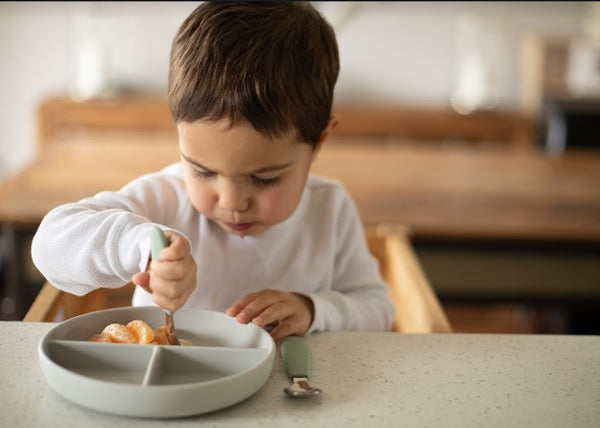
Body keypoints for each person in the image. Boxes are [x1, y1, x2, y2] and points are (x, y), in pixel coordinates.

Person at [31, 2, 395, 341]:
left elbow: (378, 310)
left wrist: (313, 308)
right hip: (174, 392)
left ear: (318, 141)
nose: (232, 202)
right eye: (202, 171)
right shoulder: (163, 199)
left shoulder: (329, 208)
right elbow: (49, 246)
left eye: (265, 178)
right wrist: (140, 246)